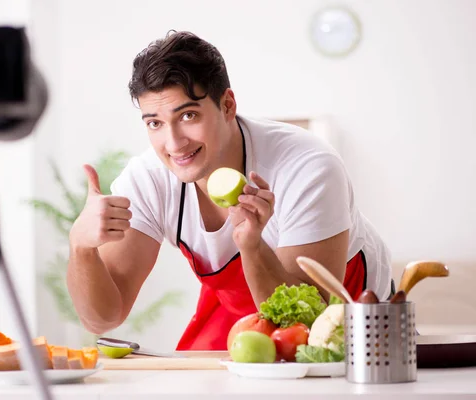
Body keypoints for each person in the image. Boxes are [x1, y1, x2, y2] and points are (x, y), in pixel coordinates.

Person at [67, 31, 392, 351]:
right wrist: (81, 247)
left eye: (188, 115)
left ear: (227, 105)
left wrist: (251, 246)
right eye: (155, 123)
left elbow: (306, 323)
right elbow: (102, 320)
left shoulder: (307, 167)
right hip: (239, 307)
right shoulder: (148, 179)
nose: (174, 143)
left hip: (340, 308)